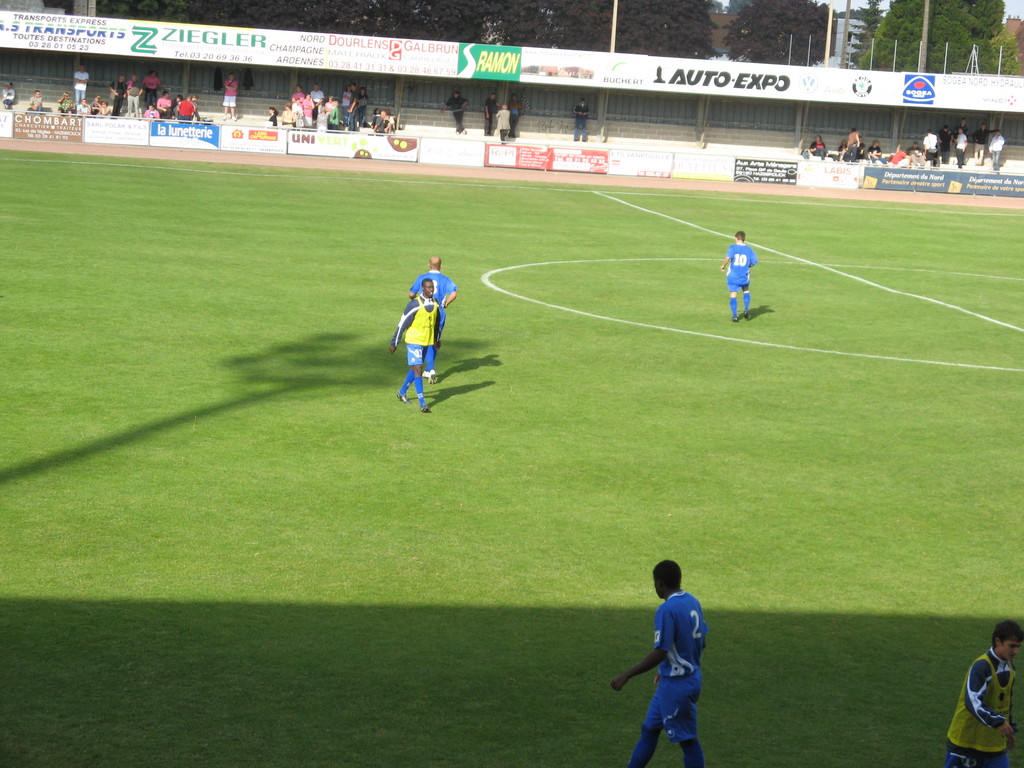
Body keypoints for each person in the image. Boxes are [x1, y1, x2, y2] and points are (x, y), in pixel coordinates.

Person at [611, 560, 708, 768]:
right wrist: (670, 669)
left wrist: (626, 675)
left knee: (688, 741)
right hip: (678, 680)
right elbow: (702, 642)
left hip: (678, 686)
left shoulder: (666, 610)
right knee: (650, 729)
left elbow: (660, 651)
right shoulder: (693, 602)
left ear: (660, 583)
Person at [944, 619, 1021, 768]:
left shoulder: (1010, 667)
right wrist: (999, 722)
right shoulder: (982, 666)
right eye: (1012, 646)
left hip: (995, 747)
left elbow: (1005, 702)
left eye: (1018, 647)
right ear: (998, 641)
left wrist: (1009, 727)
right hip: (966, 745)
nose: (1016, 651)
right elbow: (973, 701)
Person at [389, 278, 442, 413]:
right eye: (429, 287)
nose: (431, 290)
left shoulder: (435, 304)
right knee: (418, 369)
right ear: (422, 288)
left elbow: (436, 324)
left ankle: (402, 393)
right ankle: (422, 403)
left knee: (415, 369)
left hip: (426, 341)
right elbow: (402, 324)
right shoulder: (414, 304)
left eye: (432, 288)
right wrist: (394, 342)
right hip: (414, 341)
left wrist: (437, 339)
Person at [409, 257, 458, 384]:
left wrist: (415, 299)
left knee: (424, 338)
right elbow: (454, 294)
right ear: (441, 266)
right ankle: (430, 368)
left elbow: (411, 294)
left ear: (429, 265)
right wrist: (446, 303)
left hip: (424, 310)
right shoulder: (446, 279)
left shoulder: (422, 278)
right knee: (435, 338)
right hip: (439, 311)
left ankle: (428, 368)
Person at [721, 231, 757, 322]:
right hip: (744, 275)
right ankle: (746, 309)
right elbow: (754, 262)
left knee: (733, 294)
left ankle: (735, 316)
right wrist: (747, 266)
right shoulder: (749, 250)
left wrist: (723, 265)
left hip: (733, 276)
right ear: (744, 239)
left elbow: (728, 258)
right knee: (746, 290)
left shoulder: (732, 247)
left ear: (736, 238)